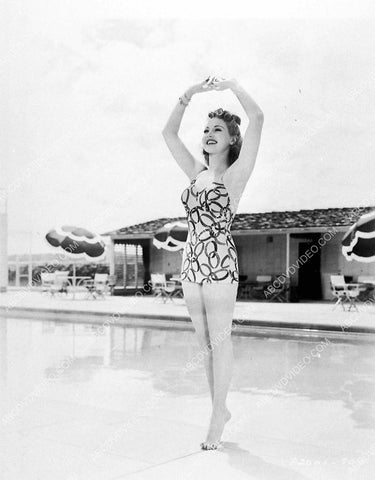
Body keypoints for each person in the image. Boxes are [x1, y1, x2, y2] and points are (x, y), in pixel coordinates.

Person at [162, 76, 264, 450]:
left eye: (217, 129)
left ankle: (216, 417)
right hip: (191, 262)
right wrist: (188, 94)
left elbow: (258, 117)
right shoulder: (197, 173)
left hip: (220, 261)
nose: (208, 133)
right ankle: (218, 409)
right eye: (205, 129)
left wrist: (234, 85)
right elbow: (169, 134)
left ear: (231, 140)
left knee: (220, 339)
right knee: (205, 342)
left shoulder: (234, 176)